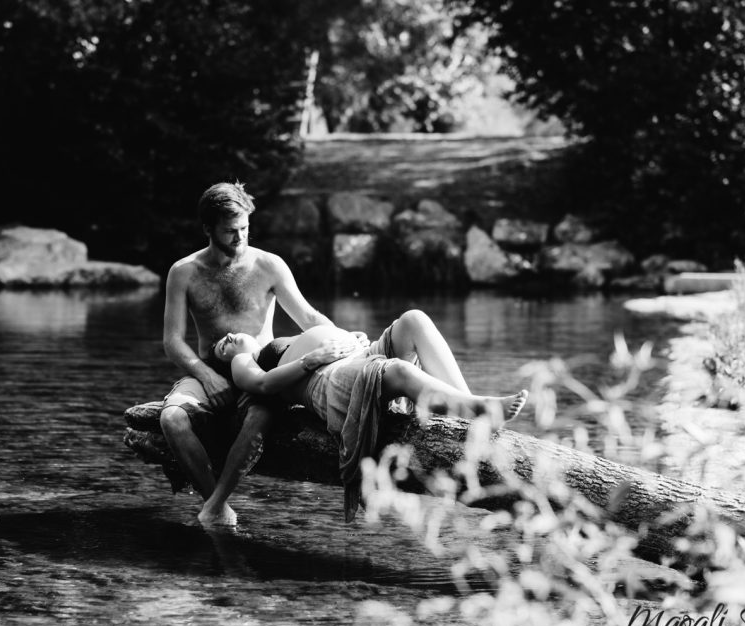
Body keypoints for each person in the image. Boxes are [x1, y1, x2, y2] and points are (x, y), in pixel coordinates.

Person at [212, 310, 528, 519]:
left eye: (226, 337)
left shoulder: (274, 339)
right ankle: (479, 409)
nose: (226, 341)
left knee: (414, 320)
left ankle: (468, 404)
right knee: (398, 372)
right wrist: (313, 358)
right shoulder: (244, 360)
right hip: (327, 379)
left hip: (355, 354)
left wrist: (349, 337)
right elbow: (264, 384)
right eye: (220, 348)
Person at [161, 181, 346, 527]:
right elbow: (172, 341)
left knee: (261, 416)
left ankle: (216, 505)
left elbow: (308, 318)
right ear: (207, 229)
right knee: (171, 419)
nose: (240, 237)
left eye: (245, 228)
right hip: (209, 369)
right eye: (230, 231)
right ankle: (215, 504)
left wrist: (345, 340)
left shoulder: (269, 266)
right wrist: (206, 375)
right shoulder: (183, 272)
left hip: (261, 371)